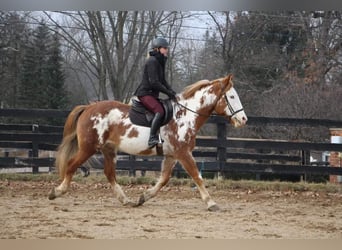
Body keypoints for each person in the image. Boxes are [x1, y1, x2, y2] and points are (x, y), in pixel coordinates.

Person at [134, 37, 177, 148]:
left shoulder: (160, 61)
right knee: (159, 111)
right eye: (164, 48)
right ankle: (152, 138)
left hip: (151, 94)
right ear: (157, 49)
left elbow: (162, 81)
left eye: (166, 48)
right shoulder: (152, 61)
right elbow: (154, 83)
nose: (166, 50)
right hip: (145, 93)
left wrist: (172, 92)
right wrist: (168, 92)